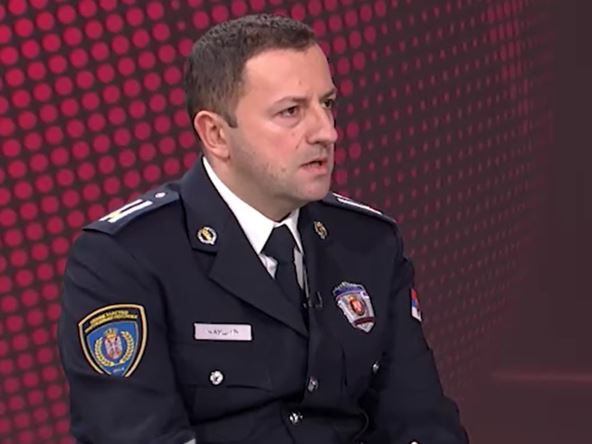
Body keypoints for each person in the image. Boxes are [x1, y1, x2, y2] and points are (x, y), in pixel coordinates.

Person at [58, 14, 469, 444]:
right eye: (291, 112)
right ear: (216, 134)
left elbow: (422, 422)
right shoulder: (125, 259)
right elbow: (135, 436)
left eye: (327, 104)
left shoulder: (369, 243)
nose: (327, 132)